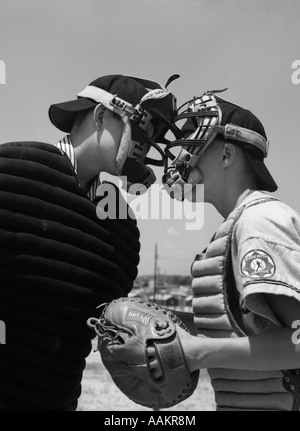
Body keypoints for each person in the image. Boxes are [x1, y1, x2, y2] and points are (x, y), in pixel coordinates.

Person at [0, 74, 177, 410]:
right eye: (140, 129)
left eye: (152, 137)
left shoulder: (121, 229)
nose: (145, 145)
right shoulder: (11, 170)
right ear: (100, 115)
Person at [152, 89, 300, 411]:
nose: (180, 158)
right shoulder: (236, 223)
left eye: (193, 144)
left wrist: (194, 352)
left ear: (226, 155)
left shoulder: (258, 220)